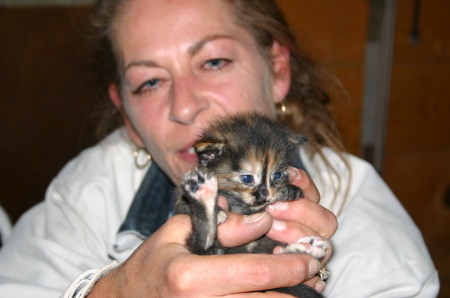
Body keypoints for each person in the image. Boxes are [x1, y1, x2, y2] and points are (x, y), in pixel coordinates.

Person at [0, 0, 439, 297]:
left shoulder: (374, 242)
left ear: (277, 71)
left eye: (214, 61)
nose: (186, 107)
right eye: (150, 82)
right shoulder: (89, 191)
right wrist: (113, 291)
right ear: (128, 118)